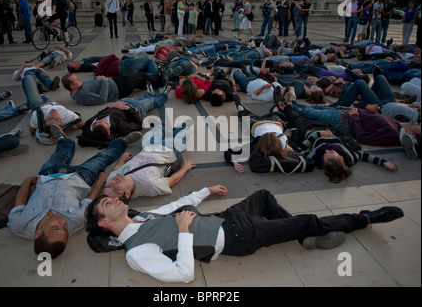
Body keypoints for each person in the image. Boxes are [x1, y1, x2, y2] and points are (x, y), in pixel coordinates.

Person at [86, 184, 404, 283]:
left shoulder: (142, 216)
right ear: (103, 222)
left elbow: (178, 203)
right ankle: (364, 218)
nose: (113, 198)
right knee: (307, 219)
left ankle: (301, 235)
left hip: (226, 217)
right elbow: (183, 275)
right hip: (238, 238)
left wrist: (204, 190)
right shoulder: (135, 252)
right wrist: (183, 231)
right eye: (106, 202)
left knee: (263, 196)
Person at [7, 129, 141, 259]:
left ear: (37, 233)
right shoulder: (76, 220)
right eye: (64, 228)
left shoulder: (19, 225)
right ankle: (122, 141)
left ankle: (62, 139)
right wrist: (99, 182)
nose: (61, 222)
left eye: (55, 227)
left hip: (48, 174)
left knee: (60, 153)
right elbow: (89, 200)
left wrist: (27, 182)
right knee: (103, 157)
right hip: (81, 176)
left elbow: (19, 204)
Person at [277, 98, 399, 183]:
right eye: (331, 152)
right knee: (311, 112)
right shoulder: (349, 157)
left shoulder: (316, 158)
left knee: (296, 118)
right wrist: (383, 162)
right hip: (327, 127)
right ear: (341, 158)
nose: (326, 150)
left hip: (309, 130)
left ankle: (285, 106)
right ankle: (288, 104)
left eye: (325, 155)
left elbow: (300, 150)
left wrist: (316, 135)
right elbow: (363, 155)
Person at [101, 123, 194, 201]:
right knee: (182, 134)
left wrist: (122, 159)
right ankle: (180, 129)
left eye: (108, 186)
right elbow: (172, 181)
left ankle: (163, 127)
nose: (112, 183)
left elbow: (116, 169)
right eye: (115, 189)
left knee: (153, 133)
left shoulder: (113, 178)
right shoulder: (149, 186)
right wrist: (185, 168)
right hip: (168, 151)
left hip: (147, 148)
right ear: (128, 193)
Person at [77, 86, 169, 147]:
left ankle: (148, 94)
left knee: (138, 98)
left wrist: (110, 106)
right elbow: (139, 123)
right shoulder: (122, 127)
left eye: (99, 121)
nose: (104, 119)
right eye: (106, 123)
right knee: (153, 101)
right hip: (135, 108)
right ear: (109, 132)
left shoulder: (89, 125)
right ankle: (165, 94)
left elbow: (100, 114)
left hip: (122, 102)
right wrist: (126, 108)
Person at [62, 71, 165, 105]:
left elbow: (94, 85)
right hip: (120, 88)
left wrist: (99, 78)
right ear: (72, 86)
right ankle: (160, 76)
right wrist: (104, 80)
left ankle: (161, 83)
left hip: (116, 82)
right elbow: (102, 99)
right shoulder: (82, 95)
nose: (79, 79)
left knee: (140, 83)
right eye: (77, 80)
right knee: (141, 75)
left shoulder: (77, 90)